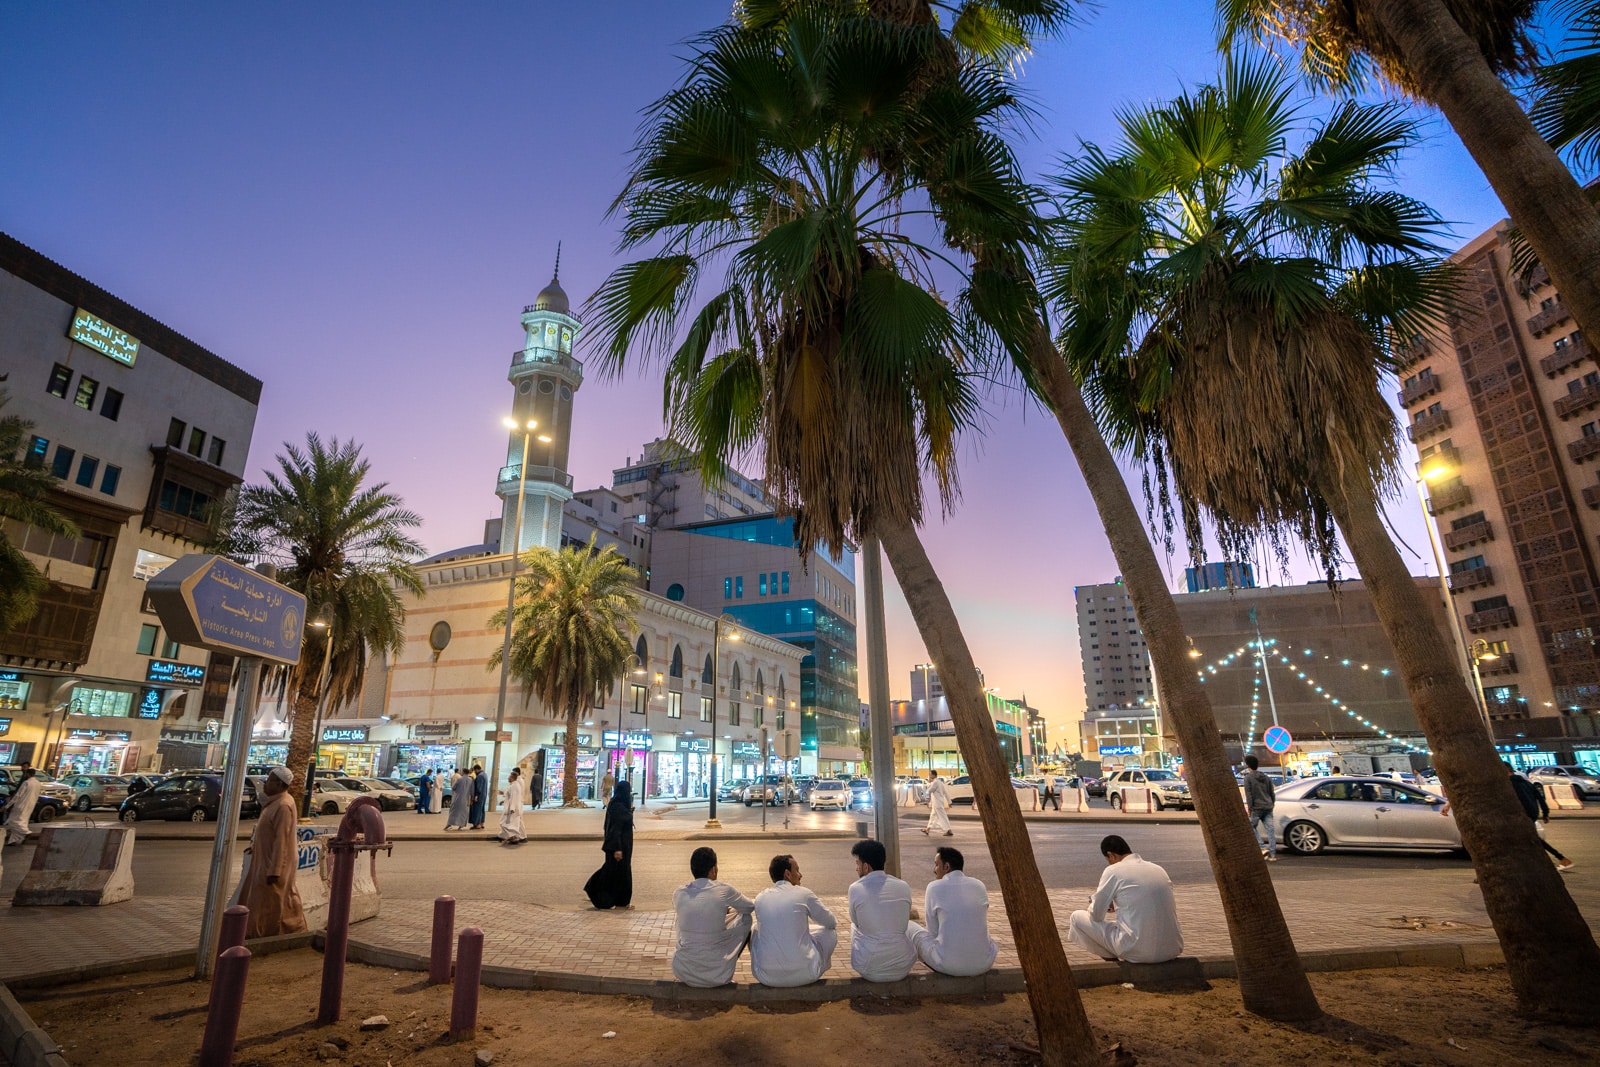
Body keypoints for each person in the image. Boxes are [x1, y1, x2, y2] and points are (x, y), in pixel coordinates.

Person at [1068, 834, 1183, 963]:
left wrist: (1097, 903)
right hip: (1172, 948)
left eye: (1108, 859)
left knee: (1076, 917)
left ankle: (1114, 965)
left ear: (1111, 855)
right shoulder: (1158, 869)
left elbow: (1096, 916)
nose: (1110, 863)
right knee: (1124, 926)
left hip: (1139, 951)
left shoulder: (1113, 870)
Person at [236, 767, 307, 938]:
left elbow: (281, 840)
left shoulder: (283, 805)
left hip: (272, 866)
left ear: (279, 784)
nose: (265, 784)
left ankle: (281, 936)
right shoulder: (275, 803)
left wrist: (275, 869)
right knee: (265, 903)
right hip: (264, 862)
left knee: (276, 906)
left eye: (269, 781)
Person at [671, 846, 755, 986]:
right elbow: (749, 907)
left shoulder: (678, 893)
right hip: (718, 974)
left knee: (681, 919)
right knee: (746, 918)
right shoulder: (723, 889)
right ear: (713, 870)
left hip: (682, 970)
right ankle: (727, 961)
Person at [909, 846, 998, 976]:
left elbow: (933, 932)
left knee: (908, 926)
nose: (934, 870)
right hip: (984, 963)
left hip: (948, 965)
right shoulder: (979, 885)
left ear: (947, 867)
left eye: (936, 865)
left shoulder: (934, 887)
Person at [750, 854, 837, 986]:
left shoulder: (760, 897)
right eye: (797, 870)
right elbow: (831, 922)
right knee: (830, 933)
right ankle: (814, 963)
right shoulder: (803, 893)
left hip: (766, 976)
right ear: (787, 874)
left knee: (755, 929)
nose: (800, 874)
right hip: (806, 974)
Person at [845, 839, 916, 981]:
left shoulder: (856, 888)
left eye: (857, 864)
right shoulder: (903, 886)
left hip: (869, 968)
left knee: (854, 926)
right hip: (903, 966)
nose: (856, 868)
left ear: (866, 867)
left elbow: (856, 921)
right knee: (908, 926)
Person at [1508, 762, 1575, 871]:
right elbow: (1540, 797)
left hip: (1522, 815)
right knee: (1529, 840)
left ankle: (1561, 858)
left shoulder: (1509, 784)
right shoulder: (1527, 783)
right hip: (1533, 814)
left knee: (1533, 839)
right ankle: (1559, 859)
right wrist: (1545, 813)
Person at [584, 778, 635, 908]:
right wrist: (618, 849)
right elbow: (615, 829)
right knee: (617, 874)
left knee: (616, 874)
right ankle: (605, 896)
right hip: (619, 847)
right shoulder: (618, 806)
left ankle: (619, 901)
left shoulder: (617, 804)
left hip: (621, 846)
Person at [1241, 755, 1277, 861]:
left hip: (1256, 808)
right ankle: (1273, 854)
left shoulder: (1248, 778)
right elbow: (1272, 793)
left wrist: (1250, 809)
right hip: (1268, 806)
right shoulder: (1266, 777)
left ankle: (1262, 847)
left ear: (1248, 765)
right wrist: (1272, 804)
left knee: (1251, 826)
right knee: (1270, 830)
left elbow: (1249, 795)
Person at [3, 767, 42, 846]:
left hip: (21, 804)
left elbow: (18, 795)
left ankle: (26, 832)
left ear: (28, 774)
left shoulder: (26, 783)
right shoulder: (38, 783)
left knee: (13, 821)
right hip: (30, 805)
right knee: (23, 821)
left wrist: (7, 806)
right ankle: (14, 840)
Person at [498, 767, 527, 845]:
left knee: (506, 823)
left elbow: (514, 797)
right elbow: (510, 795)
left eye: (509, 776)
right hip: (512, 807)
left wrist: (512, 808)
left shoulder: (516, 784)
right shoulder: (514, 784)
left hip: (513, 807)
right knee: (513, 823)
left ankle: (514, 837)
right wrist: (504, 797)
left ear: (513, 777)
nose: (508, 778)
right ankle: (512, 836)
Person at [922, 769, 952, 837]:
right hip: (938, 803)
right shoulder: (940, 782)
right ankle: (927, 829)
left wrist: (927, 800)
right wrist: (949, 802)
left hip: (937, 803)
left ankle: (948, 830)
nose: (929, 776)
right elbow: (945, 793)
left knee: (942, 817)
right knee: (932, 816)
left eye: (930, 774)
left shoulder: (935, 782)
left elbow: (929, 790)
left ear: (933, 775)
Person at [469, 764, 488, 829]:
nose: (475, 772)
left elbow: (478, 787)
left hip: (479, 795)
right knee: (482, 809)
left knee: (477, 810)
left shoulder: (480, 776)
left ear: (477, 769)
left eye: (475, 771)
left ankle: (477, 824)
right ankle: (481, 823)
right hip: (484, 795)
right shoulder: (485, 775)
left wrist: (476, 795)